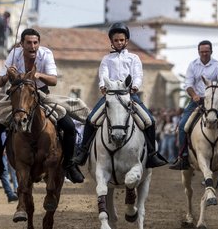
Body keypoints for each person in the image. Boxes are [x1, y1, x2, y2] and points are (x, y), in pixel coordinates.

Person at [0, 28, 84, 183]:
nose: (32, 46)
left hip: (41, 95)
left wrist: (39, 75)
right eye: (28, 43)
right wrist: (7, 75)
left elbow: (54, 81)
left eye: (35, 42)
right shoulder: (14, 54)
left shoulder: (46, 54)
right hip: (17, 98)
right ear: (22, 44)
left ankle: (69, 164)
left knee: (69, 126)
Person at [72, 23, 168, 169]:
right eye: (116, 40)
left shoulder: (134, 58)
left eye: (121, 40)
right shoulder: (106, 59)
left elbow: (138, 75)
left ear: (126, 41)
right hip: (110, 96)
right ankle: (83, 152)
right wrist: (102, 86)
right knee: (91, 119)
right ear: (111, 42)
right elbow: (103, 74)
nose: (119, 43)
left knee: (150, 120)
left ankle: (152, 155)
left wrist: (135, 86)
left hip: (128, 95)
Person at [170, 40, 218, 170]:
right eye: (202, 52)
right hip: (196, 101)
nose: (204, 54)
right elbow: (188, 85)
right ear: (198, 52)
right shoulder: (193, 65)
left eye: (207, 51)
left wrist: (216, 91)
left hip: (214, 102)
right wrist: (194, 95)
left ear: (211, 52)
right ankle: (183, 157)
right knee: (183, 125)